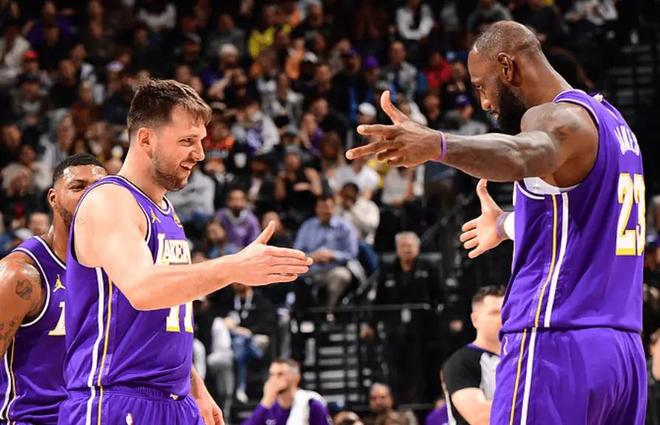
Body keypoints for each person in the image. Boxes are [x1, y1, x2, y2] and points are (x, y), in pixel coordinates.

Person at [347, 21, 646, 425]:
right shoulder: (613, 123)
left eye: (480, 86)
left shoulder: (559, 119)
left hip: (555, 340)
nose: (485, 102)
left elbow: (524, 154)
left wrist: (438, 144)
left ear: (507, 67)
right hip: (622, 354)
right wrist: (506, 225)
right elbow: (588, 224)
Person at [60, 79, 312, 425]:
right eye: (187, 141)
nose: (200, 154)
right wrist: (233, 267)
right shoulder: (110, 200)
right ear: (146, 139)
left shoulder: (164, 210)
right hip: (114, 400)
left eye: (201, 141)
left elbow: (160, 319)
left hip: (172, 399)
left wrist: (193, 385)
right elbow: (144, 289)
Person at [0, 154, 106, 424]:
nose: (90, 195)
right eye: (78, 186)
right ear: (53, 198)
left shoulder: (113, 269)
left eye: (99, 187)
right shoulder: (20, 273)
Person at [442, 286, 504, 425]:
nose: (502, 318)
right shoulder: (461, 361)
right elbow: (480, 417)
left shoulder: (519, 357)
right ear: (475, 319)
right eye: (494, 313)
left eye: (506, 312)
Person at [242, 358, 331, 425]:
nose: (274, 379)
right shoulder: (268, 408)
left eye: (280, 374)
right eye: (272, 374)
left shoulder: (311, 404)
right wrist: (265, 401)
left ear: (296, 377)